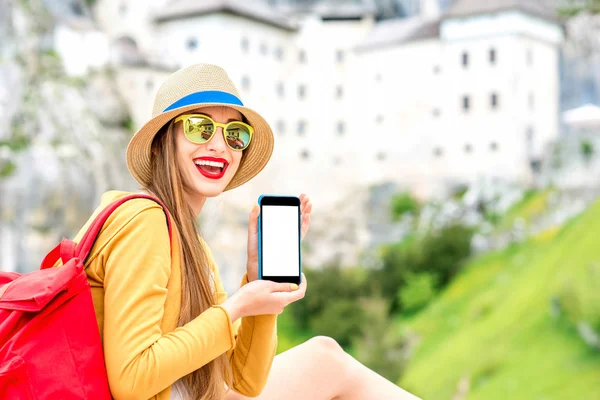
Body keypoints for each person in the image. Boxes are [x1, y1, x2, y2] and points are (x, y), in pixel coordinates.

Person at [73, 63, 420, 400]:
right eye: (199, 128)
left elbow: (245, 381)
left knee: (325, 357)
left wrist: (258, 291)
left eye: (235, 134)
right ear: (160, 143)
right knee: (326, 360)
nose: (219, 145)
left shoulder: (193, 248)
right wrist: (235, 308)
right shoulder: (143, 220)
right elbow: (132, 379)